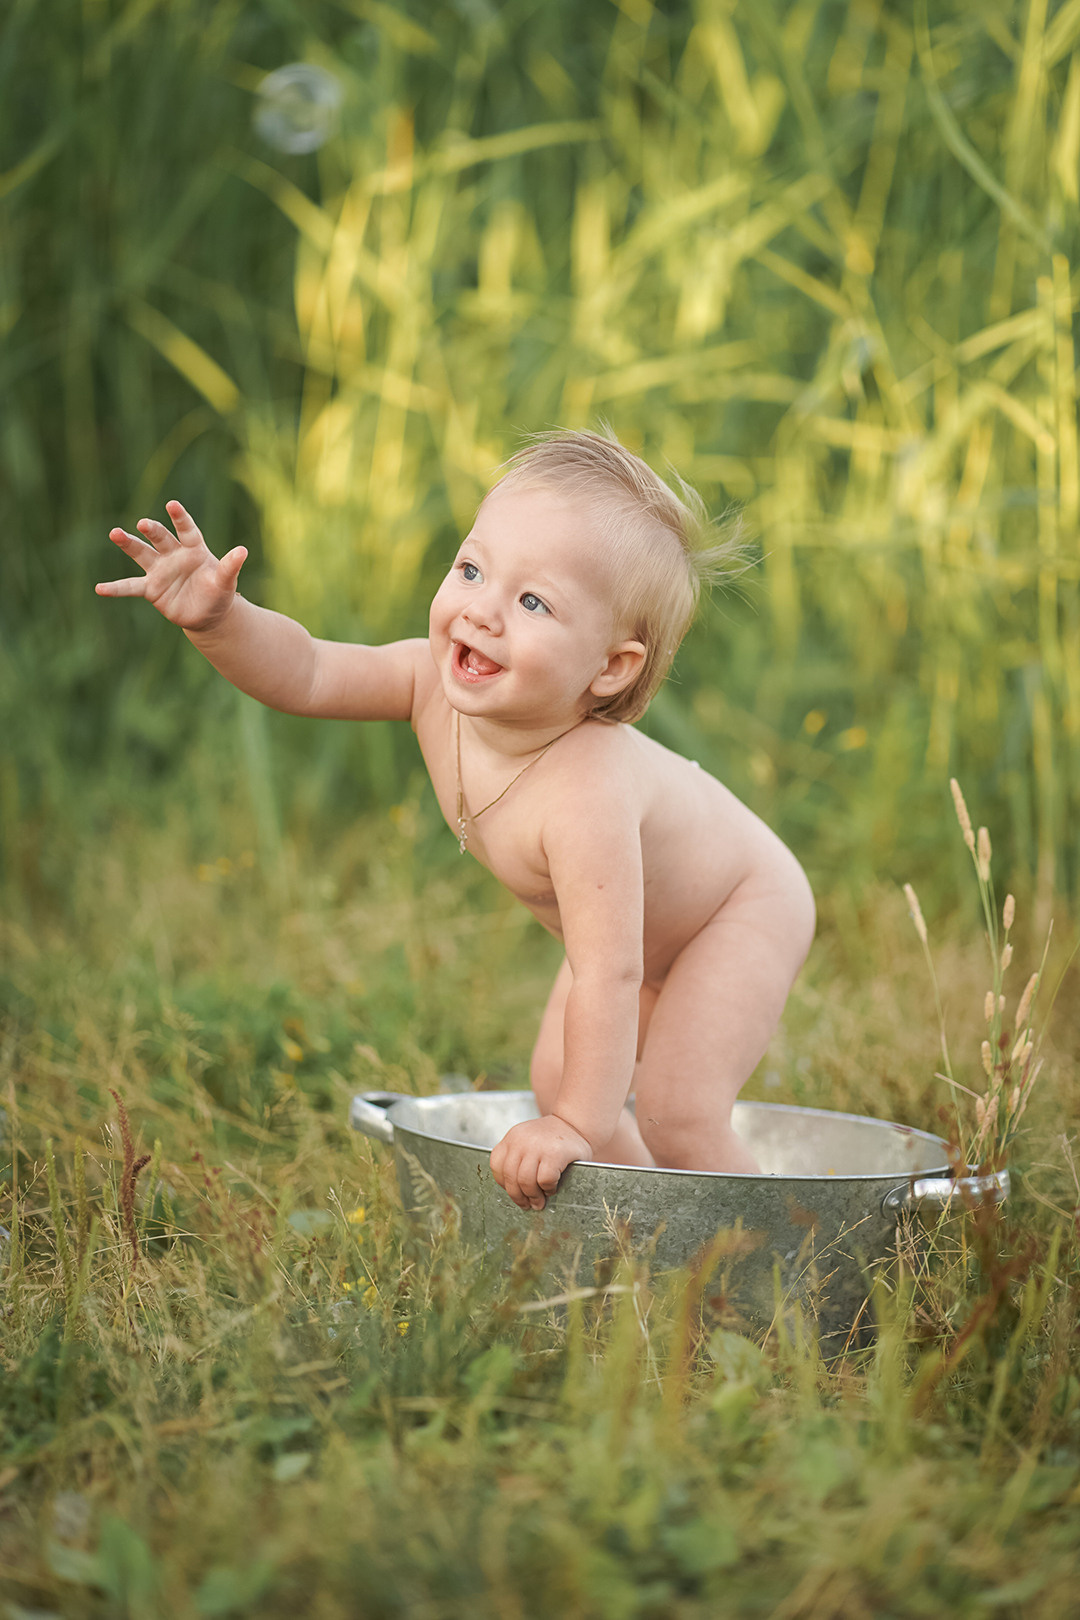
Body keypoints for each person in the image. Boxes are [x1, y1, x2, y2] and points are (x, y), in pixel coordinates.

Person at [97, 430, 815, 1211]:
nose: (481, 611)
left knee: (672, 1109)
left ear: (611, 666)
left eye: (532, 601)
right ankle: (658, 1250)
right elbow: (305, 671)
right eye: (471, 569)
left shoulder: (587, 792)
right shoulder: (426, 684)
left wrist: (572, 1123)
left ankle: (793, 1259)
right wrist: (218, 621)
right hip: (638, 931)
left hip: (738, 908)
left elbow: (607, 973)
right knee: (561, 1084)